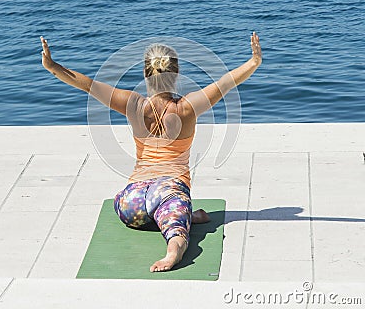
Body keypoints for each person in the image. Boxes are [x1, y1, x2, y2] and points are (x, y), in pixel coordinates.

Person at [40, 33, 262, 272]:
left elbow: (87, 85)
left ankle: (181, 215)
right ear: (176, 75)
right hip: (167, 192)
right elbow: (226, 83)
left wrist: (52, 66)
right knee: (176, 222)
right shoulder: (187, 107)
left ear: (146, 74)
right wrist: (253, 62)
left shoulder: (133, 103)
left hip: (129, 203)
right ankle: (173, 251)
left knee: (168, 206)